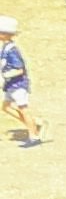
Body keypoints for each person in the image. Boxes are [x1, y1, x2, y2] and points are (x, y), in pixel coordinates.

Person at [0, 15, 33, 149]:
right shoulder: (5, 48)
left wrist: (5, 76)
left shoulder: (12, 50)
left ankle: (34, 134)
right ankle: (33, 124)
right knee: (6, 107)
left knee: (23, 109)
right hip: (11, 85)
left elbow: (19, 70)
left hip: (18, 84)